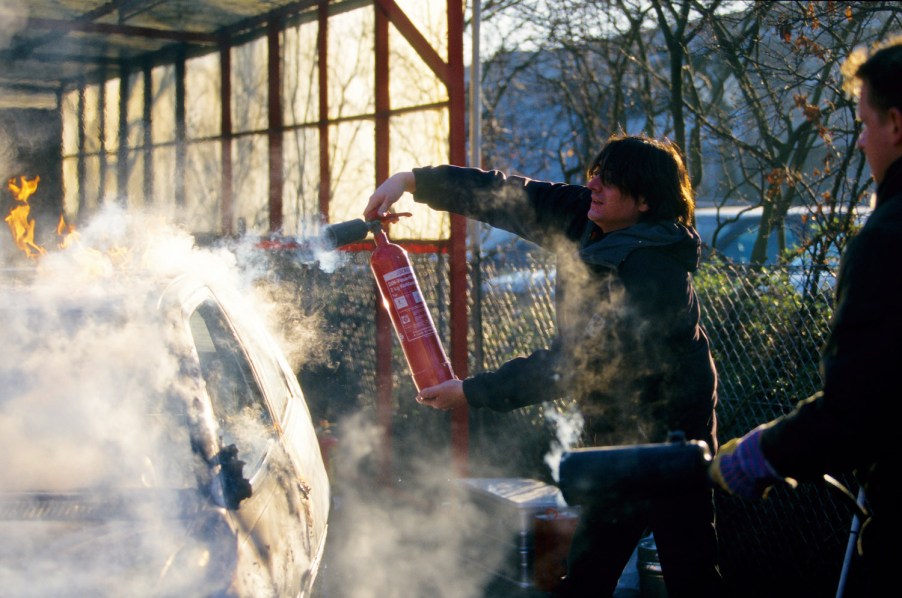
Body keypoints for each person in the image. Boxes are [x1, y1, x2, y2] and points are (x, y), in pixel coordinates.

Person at [365, 134, 723, 597]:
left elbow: (574, 364)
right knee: (592, 565)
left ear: (644, 202)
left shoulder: (652, 274)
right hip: (614, 429)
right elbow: (507, 195)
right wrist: (412, 181)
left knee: (689, 567)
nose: (593, 184)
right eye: (595, 172)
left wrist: (471, 392)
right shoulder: (585, 215)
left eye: (609, 181)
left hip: (674, 433)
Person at [709, 37, 902, 597]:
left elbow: (856, 411)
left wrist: (759, 455)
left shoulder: (888, 241)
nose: (860, 141)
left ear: (895, 123)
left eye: (865, 123)